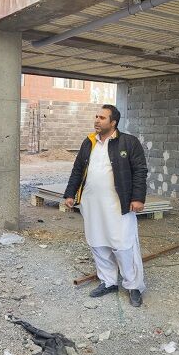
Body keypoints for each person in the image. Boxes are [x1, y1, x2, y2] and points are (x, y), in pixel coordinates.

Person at [64, 104, 148, 307]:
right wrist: (70, 194)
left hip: (119, 203)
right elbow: (78, 169)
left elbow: (140, 170)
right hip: (92, 203)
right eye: (96, 116)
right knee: (98, 242)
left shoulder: (129, 142)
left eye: (102, 118)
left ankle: (133, 286)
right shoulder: (89, 142)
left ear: (113, 122)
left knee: (123, 244)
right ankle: (108, 282)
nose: (97, 120)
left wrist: (138, 198)